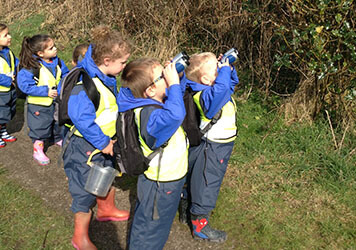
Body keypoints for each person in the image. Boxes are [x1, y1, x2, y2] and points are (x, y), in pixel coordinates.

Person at [62, 26, 131, 250]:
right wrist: (102, 142)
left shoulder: (105, 75)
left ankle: (106, 209)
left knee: (108, 174)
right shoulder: (86, 83)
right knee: (83, 190)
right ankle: (79, 237)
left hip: (104, 143)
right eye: (122, 63)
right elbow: (81, 118)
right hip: (86, 146)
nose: (124, 67)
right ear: (107, 59)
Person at [118, 58, 188, 250]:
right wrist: (173, 84)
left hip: (167, 179)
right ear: (149, 91)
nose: (167, 76)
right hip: (161, 183)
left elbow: (175, 102)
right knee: (151, 229)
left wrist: (176, 80)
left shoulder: (154, 102)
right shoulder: (151, 115)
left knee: (156, 223)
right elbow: (175, 114)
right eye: (162, 76)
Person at [182, 52, 239, 242]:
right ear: (206, 79)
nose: (220, 70)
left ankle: (185, 209)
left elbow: (229, 85)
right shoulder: (205, 96)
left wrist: (228, 69)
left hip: (218, 145)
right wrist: (223, 73)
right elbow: (222, 88)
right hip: (214, 147)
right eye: (217, 69)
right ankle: (200, 225)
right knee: (208, 182)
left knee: (198, 177)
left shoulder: (215, 88)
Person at [17, 34, 69, 165]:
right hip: (39, 105)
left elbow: (65, 74)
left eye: (54, 46)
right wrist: (45, 91)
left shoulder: (58, 61)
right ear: (40, 53)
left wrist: (63, 86)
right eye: (51, 48)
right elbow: (25, 86)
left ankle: (56, 138)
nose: (55, 49)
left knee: (57, 122)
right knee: (40, 127)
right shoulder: (31, 67)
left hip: (55, 101)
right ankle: (38, 148)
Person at [0, 23, 19, 148]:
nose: (9, 37)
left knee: (8, 110)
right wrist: (8, 80)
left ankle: (2, 131)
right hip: (1, 90)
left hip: (10, 89)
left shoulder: (8, 52)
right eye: (5, 35)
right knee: (0, 113)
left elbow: (15, 62)